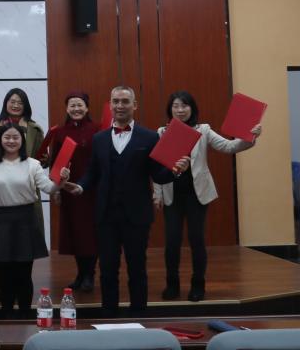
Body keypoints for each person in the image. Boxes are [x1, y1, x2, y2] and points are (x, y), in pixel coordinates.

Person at [67, 86, 189, 316]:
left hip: (137, 215)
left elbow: (158, 174)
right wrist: (80, 186)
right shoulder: (99, 139)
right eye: (116, 101)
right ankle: (108, 314)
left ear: (135, 105)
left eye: (125, 101)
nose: (120, 106)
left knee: (137, 268)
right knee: (107, 269)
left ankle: (139, 314)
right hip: (105, 215)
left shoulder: (149, 137)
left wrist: (176, 170)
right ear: (110, 105)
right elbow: (93, 172)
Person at [154, 91, 261, 302]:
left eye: (184, 105)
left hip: (197, 194)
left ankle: (198, 285)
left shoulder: (203, 130)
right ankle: (172, 284)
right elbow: (157, 166)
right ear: (170, 109)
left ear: (192, 108)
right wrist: (156, 194)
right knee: (172, 242)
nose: (180, 110)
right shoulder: (161, 132)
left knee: (197, 240)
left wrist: (251, 136)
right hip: (171, 194)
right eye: (176, 106)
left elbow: (229, 146)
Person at [0, 123, 66, 317]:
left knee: (24, 273)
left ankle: (26, 315)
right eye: (7, 137)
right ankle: (6, 314)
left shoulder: (33, 164)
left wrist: (61, 180)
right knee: (4, 274)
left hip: (25, 220)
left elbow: (48, 188)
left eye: (15, 137)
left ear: (22, 140)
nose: (11, 141)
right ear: (0, 140)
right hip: (0, 220)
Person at [38, 92, 100, 292]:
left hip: (91, 190)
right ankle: (80, 273)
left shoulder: (97, 129)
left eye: (80, 105)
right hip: (68, 190)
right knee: (75, 233)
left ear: (87, 107)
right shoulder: (60, 132)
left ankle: (89, 274)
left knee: (90, 233)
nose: (76, 109)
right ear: (67, 108)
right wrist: (56, 189)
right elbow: (56, 161)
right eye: (72, 105)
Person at [0, 88, 44, 159]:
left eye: (20, 103)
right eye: (12, 102)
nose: (16, 106)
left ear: (25, 106)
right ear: (6, 103)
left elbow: (43, 158)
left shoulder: (35, 129)